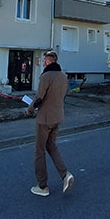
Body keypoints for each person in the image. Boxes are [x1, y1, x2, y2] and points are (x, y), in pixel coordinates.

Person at [27, 50, 74, 197]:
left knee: (39, 151)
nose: (42, 63)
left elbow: (39, 98)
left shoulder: (46, 76)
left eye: (43, 61)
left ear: (47, 62)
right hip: (57, 117)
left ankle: (42, 186)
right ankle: (65, 174)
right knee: (51, 146)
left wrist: (30, 109)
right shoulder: (63, 77)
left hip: (45, 118)